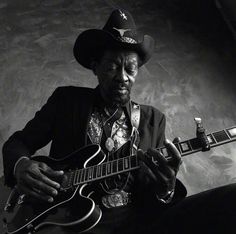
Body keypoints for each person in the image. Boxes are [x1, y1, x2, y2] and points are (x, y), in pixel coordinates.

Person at [2, 9, 236, 234]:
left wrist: (166, 188)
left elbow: (152, 198)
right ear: (95, 67)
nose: (123, 77)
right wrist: (21, 165)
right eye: (113, 66)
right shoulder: (67, 101)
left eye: (130, 69)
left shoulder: (153, 119)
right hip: (64, 221)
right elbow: (17, 143)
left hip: (135, 225)